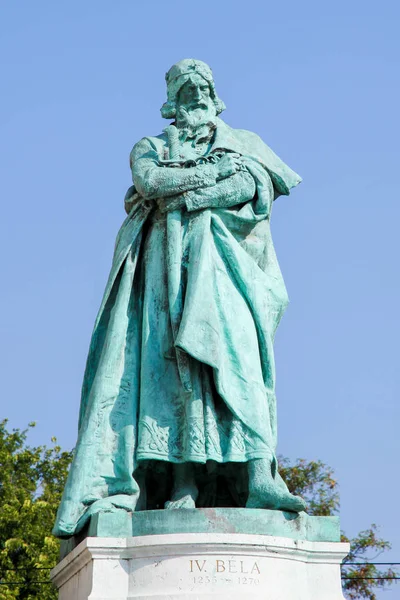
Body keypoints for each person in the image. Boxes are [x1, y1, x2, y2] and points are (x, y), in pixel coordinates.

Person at [53, 59, 305, 538]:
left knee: (237, 366)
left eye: (201, 88)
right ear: (170, 101)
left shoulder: (242, 143)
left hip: (230, 278)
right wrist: (207, 176)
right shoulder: (149, 146)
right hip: (163, 278)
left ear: (215, 95)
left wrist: (188, 193)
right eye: (184, 90)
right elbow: (151, 182)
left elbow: (251, 185)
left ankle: (260, 476)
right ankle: (182, 482)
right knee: (171, 376)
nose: (194, 97)